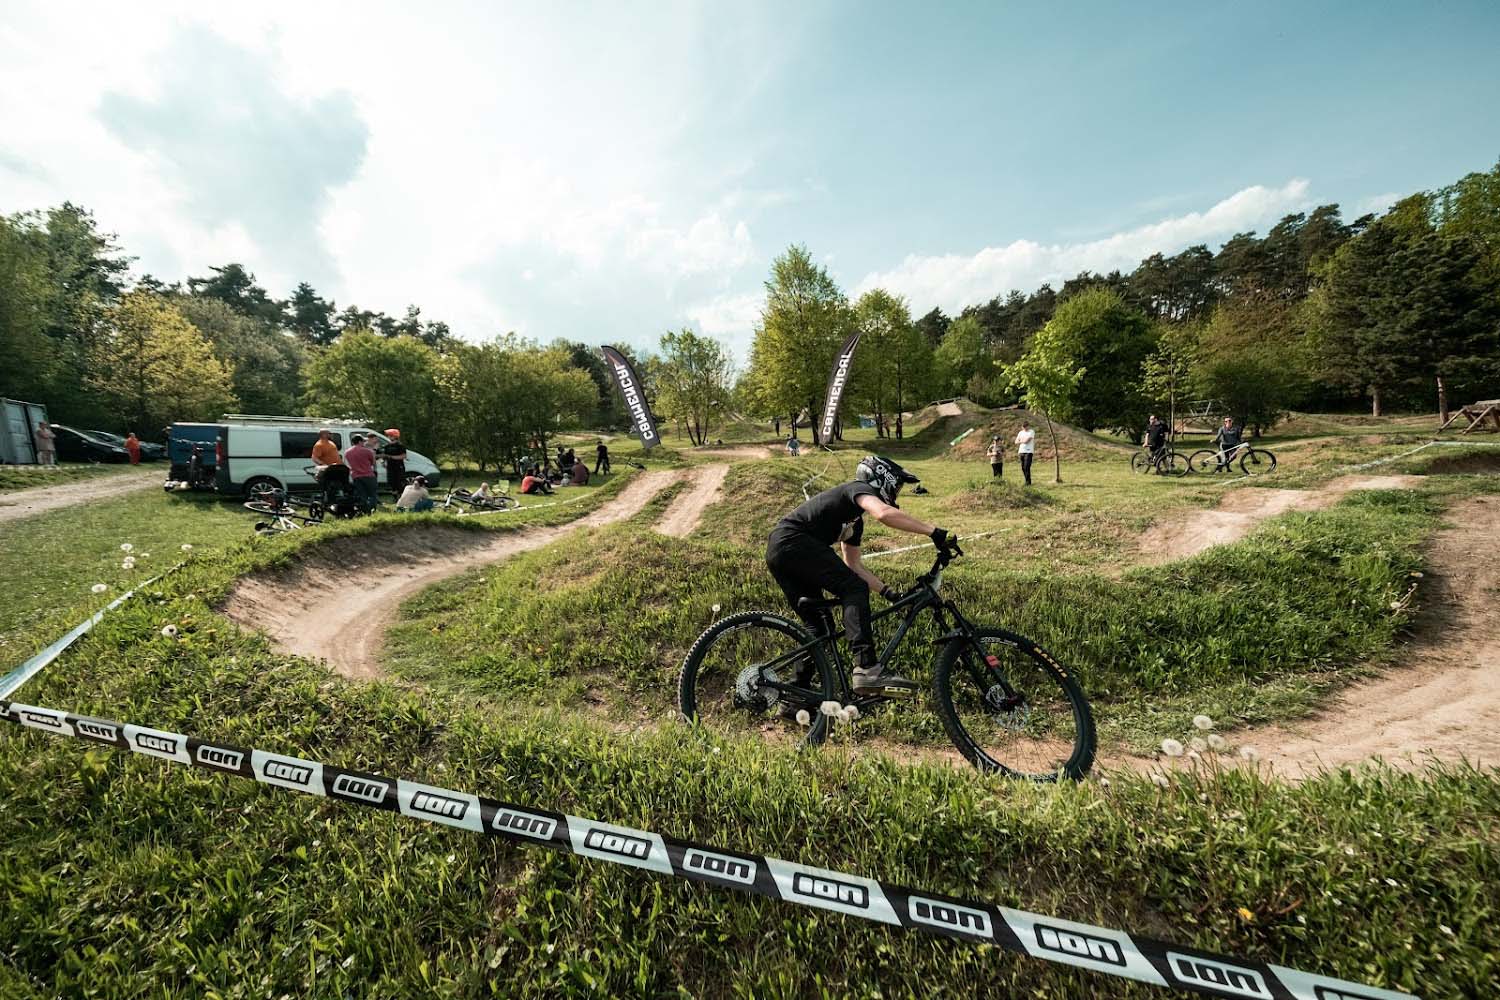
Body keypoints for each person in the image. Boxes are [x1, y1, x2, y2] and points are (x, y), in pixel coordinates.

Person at [766, 454, 957, 696]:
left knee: (819, 628)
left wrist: (889, 592)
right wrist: (934, 532)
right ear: (882, 478)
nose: (896, 492)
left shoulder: (854, 522)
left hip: (782, 551)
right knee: (854, 588)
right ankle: (866, 668)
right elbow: (883, 514)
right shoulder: (859, 488)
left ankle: (795, 696)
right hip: (792, 542)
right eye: (896, 486)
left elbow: (853, 565)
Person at [345, 433, 380, 512]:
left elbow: (348, 464)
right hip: (368, 475)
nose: (364, 443)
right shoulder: (367, 451)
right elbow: (373, 462)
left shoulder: (347, 452)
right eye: (363, 441)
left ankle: (364, 510)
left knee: (361, 495)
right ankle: (372, 509)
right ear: (360, 442)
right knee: (372, 494)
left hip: (356, 476)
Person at [381, 429, 407, 500]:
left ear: (395, 436)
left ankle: (401, 497)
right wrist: (383, 461)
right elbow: (384, 456)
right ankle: (395, 498)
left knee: (400, 482)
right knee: (392, 483)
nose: (388, 437)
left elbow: (403, 456)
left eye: (390, 435)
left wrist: (392, 457)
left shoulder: (400, 445)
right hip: (390, 467)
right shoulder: (387, 446)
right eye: (388, 435)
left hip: (398, 467)